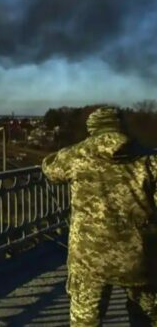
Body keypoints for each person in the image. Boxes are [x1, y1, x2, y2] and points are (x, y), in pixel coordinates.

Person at [42, 106, 157, 326]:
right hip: (140, 254)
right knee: (146, 317)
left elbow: (50, 169)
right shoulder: (149, 158)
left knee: (86, 319)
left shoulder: (76, 155)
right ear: (122, 125)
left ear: (92, 128)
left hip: (89, 255)